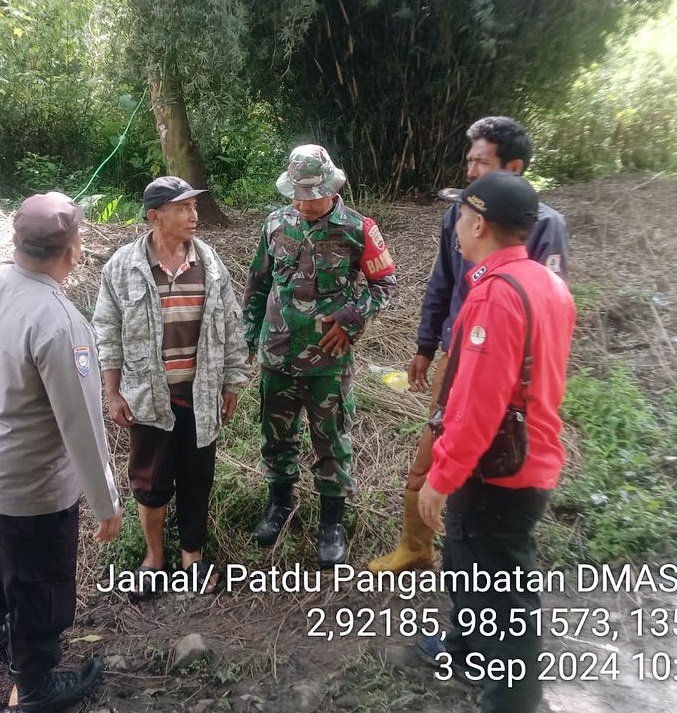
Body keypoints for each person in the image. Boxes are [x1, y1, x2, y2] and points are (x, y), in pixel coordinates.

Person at [369, 116, 569, 574]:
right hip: (460, 354)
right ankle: (418, 547)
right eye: (470, 161)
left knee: (482, 477)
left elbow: (533, 327)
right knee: (435, 458)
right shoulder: (462, 213)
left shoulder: (539, 233)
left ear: (513, 168)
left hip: (500, 367)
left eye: (482, 162)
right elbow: (441, 282)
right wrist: (425, 346)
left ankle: (470, 554)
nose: (471, 171)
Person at [0, 192, 123, 712]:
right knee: (39, 582)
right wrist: (106, 501)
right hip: (31, 483)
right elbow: (82, 424)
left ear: (16, 239)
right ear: (74, 250)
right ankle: (34, 683)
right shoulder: (61, 323)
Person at [413, 170, 576, 713]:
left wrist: (442, 477)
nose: (456, 226)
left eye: (460, 215)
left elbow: (477, 404)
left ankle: (514, 699)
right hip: (529, 457)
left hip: (497, 473)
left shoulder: (495, 296)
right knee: (472, 569)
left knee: (503, 596)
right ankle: (466, 652)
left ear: (479, 223)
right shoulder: (547, 282)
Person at [92, 176, 249, 600]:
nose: (194, 215)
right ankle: (154, 560)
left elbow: (231, 325)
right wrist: (112, 392)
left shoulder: (210, 263)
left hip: (201, 395)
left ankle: (192, 559)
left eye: (194, 207)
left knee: (198, 479)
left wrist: (232, 382)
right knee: (151, 484)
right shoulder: (123, 267)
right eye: (183, 208)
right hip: (148, 398)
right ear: (155, 217)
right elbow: (107, 332)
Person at [243, 144, 396, 567]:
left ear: (332, 188)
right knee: (275, 436)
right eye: (296, 195)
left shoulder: (358, 228)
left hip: (328, 360)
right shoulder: (275, 224)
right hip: (277, 354)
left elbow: (385, 284)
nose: (302, 203)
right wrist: (249, 337)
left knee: (331, 440)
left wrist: (351, 319)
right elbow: (258, 283)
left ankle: (332, 523)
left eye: (311, 195)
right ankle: (279, 504)